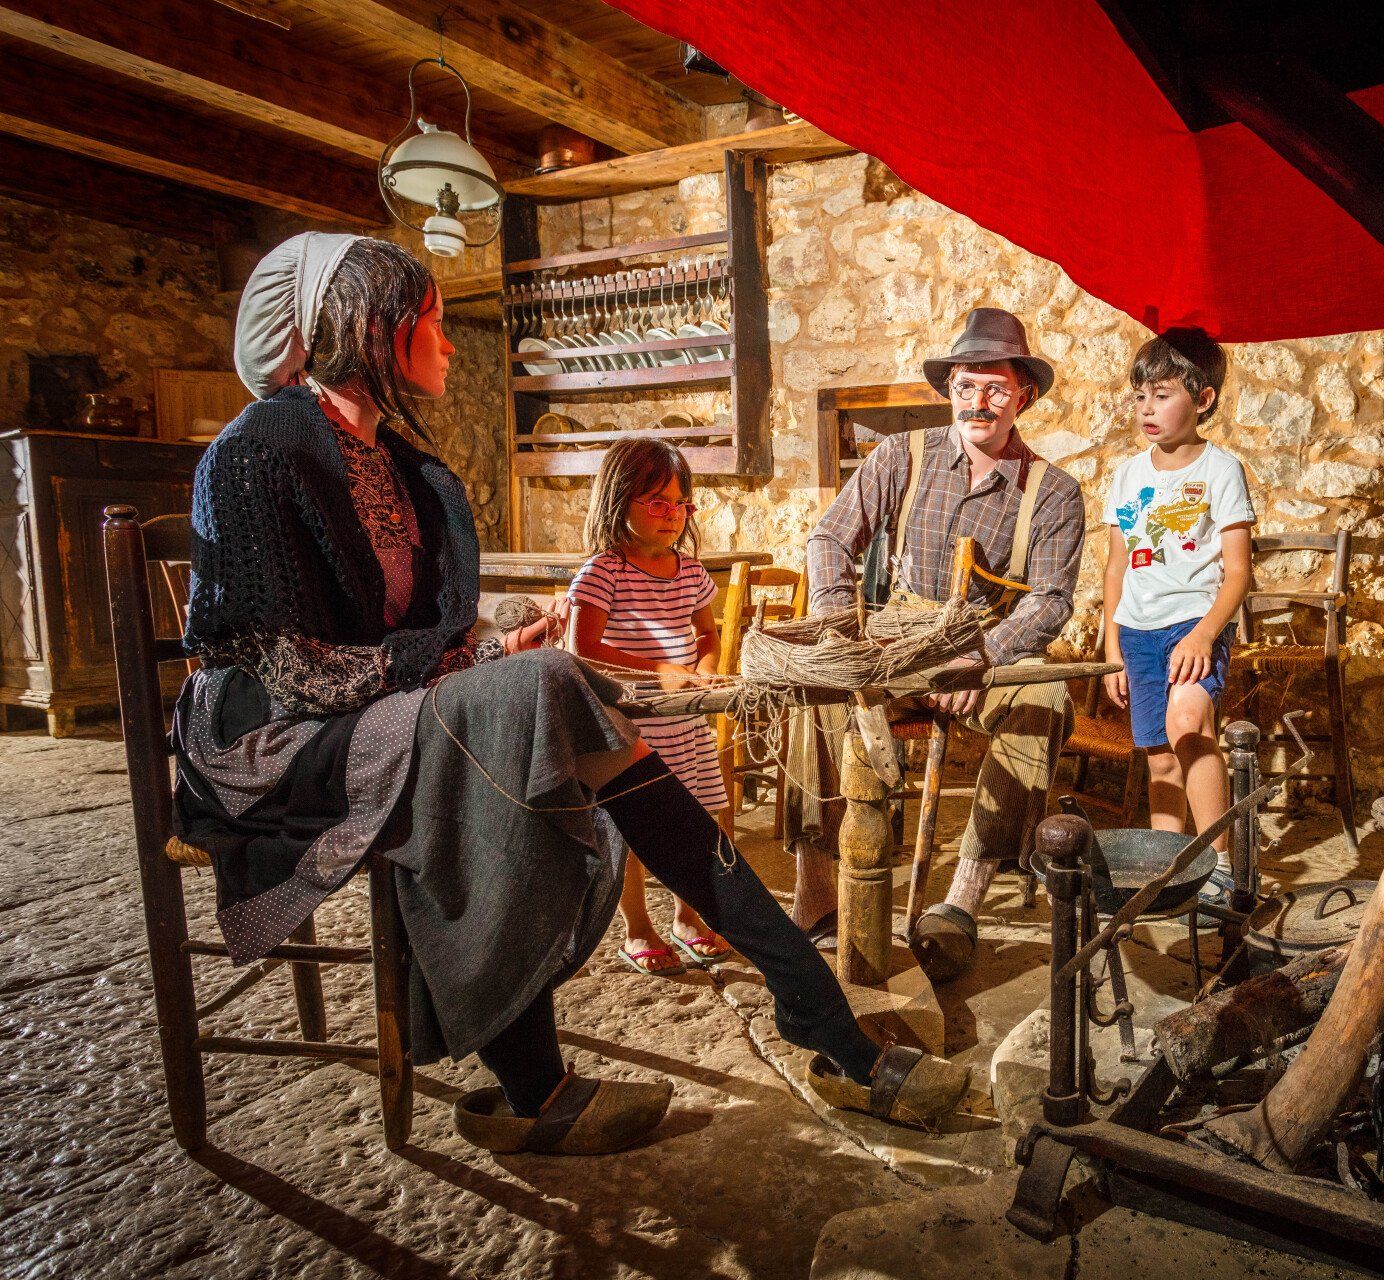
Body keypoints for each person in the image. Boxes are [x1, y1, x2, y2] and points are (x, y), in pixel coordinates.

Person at [174, 233, 970, 1157]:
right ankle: (554, 1081)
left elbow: (415, 643)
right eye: (433, 321)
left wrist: (488, 655)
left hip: (375, 711)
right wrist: (482, 669)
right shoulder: (255, 450)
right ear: (372, 325)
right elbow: (293, 670)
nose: (450, 343)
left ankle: (812, 1015)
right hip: (274, 739)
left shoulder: (400, 465)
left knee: (555, 697)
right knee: (541, 694)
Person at [790, 307, 1085, 982]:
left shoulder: (1054, 492)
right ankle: (817, 888)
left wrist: (982, 656)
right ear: (949, 389)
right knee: (816, 689)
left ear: (1023, 396)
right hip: (897, 638)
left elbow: (1050, 600)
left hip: (982, 645)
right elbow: (829, 537)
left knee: (1043, 698)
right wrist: (838, 625)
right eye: (965, 386)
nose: (978, 401)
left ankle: (961, 901)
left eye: (996, 388)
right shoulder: (902, 456)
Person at [566, 439, 734, 975]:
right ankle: (637, 927)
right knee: (632, 833)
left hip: (684, 724)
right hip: (627, 730)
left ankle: (688, 916)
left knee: (699, 819)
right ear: (619, 500)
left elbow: (707, 634)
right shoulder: (603, 572)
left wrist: (705, 670)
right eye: (658, 502)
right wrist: (659, 669)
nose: (673, 515)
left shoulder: (690, 572)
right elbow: (582, 647)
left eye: (682, 504)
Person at [1100, 329, 1252, 881]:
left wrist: (1204, 634)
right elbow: (1116, 567)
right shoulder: (1127, 475)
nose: (1147, 408)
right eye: (1140, 396)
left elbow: (1239, 574)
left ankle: (1221, 868)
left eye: (1162, 395)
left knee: (1188, 723)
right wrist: (1112, 650)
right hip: (1136, 633)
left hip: (1193, 624)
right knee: (1160, 756)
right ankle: (1167, 871)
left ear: (1203, 399)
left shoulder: (1220, 470)